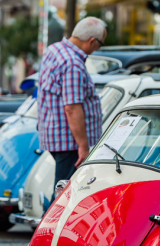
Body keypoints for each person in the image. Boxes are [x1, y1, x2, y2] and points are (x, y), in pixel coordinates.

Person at [37, 17, 106, 193]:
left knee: (62, 190)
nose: (97, 48)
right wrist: (83, 146)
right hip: (70, 142)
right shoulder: (73, 63)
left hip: (56, 135)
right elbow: (72, 108)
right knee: (64, 195)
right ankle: (50, 222)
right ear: (92, 41)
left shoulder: (55, 50)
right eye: (100, 44)